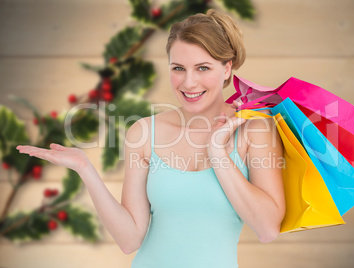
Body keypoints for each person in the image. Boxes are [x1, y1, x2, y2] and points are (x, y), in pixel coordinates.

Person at [16, 9, 285, 268]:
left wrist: (217, 153)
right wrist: (85, 169)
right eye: (178, 68)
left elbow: (267, 228)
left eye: (203, 68)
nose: (188, 83)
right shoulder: (145, 132)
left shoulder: (255, 131)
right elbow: (129, 239)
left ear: (227, 69)